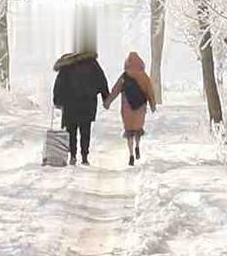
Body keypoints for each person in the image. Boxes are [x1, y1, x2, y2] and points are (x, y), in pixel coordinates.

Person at [51, 36, 110, 167]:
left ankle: (72, 155)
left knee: (71, 131)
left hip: (70, 105)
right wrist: (106, 97)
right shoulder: (92, 64)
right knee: (85, 131)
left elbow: (59, 84)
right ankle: (84, 157)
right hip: (87, 104)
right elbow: (102, 81)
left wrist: (57, 100)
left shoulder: (67, 64)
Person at [107, 50, 156, 166]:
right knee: (138, 129)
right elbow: (150, 92)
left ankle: (131, 155)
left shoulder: (124, 77)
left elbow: (115, 90)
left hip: (127, 108)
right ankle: (137, 146)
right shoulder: (144, 77)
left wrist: (108, 102)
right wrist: (152, 104)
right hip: (140, 108)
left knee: (129, 131)